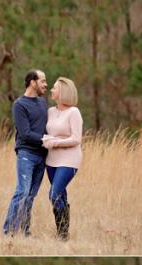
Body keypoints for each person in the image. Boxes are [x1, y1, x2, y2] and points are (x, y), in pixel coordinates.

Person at [3, 70, 48, 237]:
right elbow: (24, 133)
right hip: (26, 154)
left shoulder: (43, 103)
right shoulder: (19, 105)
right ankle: (9, 231)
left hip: (42, 156)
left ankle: (25, 231)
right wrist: (46, 139)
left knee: (30, 196)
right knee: (22, 191)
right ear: (32, 82)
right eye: (43, 81)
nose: (45, 84)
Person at [42, 78, 83, 241]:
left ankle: (62, 234)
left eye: (54, 88)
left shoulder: (74, 112)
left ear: (63, 92)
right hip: (51, 160)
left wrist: (55, 142)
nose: (51, 90)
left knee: (54, 193)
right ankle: (63, 236)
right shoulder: (50, 111)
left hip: (69, 160)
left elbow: (76, 138)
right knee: (60, 195)